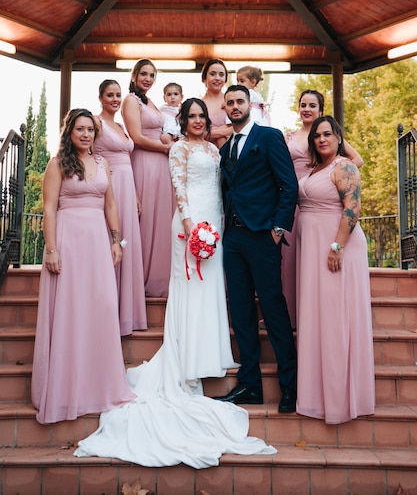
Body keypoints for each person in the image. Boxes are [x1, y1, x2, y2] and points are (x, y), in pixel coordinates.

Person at [74, 98, 276, 468]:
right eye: (192, 116)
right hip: (190, 224)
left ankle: (212, 351)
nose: (198, 121)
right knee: (191, 286)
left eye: (202, 116)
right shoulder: (178, 148)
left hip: (215, 222)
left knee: (212, 288)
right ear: (182, 120)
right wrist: (188, 224)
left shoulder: (216, 152)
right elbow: (179, 187)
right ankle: (189, 353)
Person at [31, 109, 135, 424]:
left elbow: (111, 204)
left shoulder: (103, 164)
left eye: (90, 129)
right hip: (68, 240)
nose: (86, 134)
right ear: (70, 132)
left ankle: (100, 385)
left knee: (102, 306)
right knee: (71, 309)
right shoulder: (57, 163)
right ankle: (66, 388)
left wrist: (117, 241)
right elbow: (49, 208)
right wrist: (51, 249)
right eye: (80, 129)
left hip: (97, 243)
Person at [215, 84, 298, 413]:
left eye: (239, 101)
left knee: (273, 308)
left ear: (249, 105)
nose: (234, 106)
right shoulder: (225, 149)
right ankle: (249, 385)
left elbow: (288, 184)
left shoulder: (269, 136)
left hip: (263, 236)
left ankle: (289, 386)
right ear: (225, 109)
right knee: (241, 311)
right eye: (230, 103)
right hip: (232, 239)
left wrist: (277, 229)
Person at [296, 115, 375, 424]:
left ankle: (340, 399)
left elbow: (352, 208)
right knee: (320, 318)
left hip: (336, 248)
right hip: (314, 249)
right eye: (317, 135)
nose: (322, 139)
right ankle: (317, 395)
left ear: (339, 137)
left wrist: (337, 247)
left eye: (328, 134)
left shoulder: (344, 166)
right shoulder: (315, 168)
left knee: (335, 319)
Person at [281, 89, 364, 328]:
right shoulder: (288, 137)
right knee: (294, 259)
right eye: (303, 104)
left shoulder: (330, 142)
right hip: (297, 199)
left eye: (312, 105)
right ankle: (296, 312)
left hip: (324, 197)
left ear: (321, 109)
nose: (307, 109)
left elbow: (355, 162)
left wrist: (331, 174)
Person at [94, 79, 147, 335]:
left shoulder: (121, 125)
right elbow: (89, 154)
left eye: (117, 95)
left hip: (128, 188)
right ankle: (106, 311)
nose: (115, 99)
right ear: (101, 97)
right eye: (110, 95)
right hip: (111, 185)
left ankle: (127, 313)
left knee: (128, 244)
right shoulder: (96, 122)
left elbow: (129, 159)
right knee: (111, 242)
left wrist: (135, 193)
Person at [122, 59, 176, 297]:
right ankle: (140, 278)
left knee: (161, 220)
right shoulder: (130, 101)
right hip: (145, 162)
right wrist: (165, 148)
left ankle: (159, 276)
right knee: (146, 220)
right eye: (143, 74)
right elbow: (136, 137)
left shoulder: (149, 101)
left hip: (162, 165)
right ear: (134, 76)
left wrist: (169, 141)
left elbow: (160, 130)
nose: (148, 78)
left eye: (152, 75)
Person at [201, 58, 232, 148]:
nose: (217, 78)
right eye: (212, 74)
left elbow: (242, 126)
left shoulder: (233, 102)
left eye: (221, 74)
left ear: (225, 79)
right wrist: (226, 131)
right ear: (204, 77)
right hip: (204, 154)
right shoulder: (197, 105)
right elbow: (192, 134)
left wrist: (209, 133)